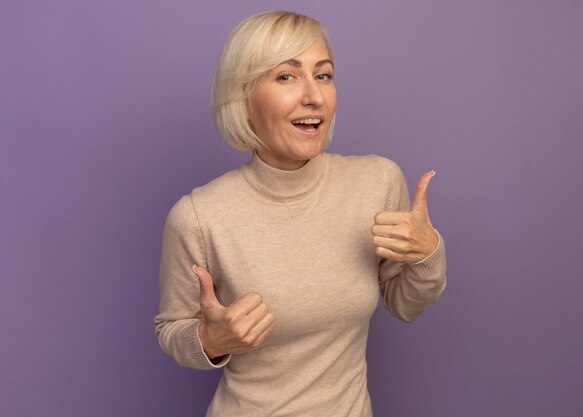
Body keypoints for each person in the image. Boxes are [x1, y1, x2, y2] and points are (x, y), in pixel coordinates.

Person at [154, 10, 446, 417]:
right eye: (286, 77)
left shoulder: (377, 181)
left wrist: (428, 252)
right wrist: (210, 339)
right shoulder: (199, 216)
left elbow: (405, 304)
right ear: (243, 99)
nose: (314, 95)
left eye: (323, 75)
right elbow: (171, 329)